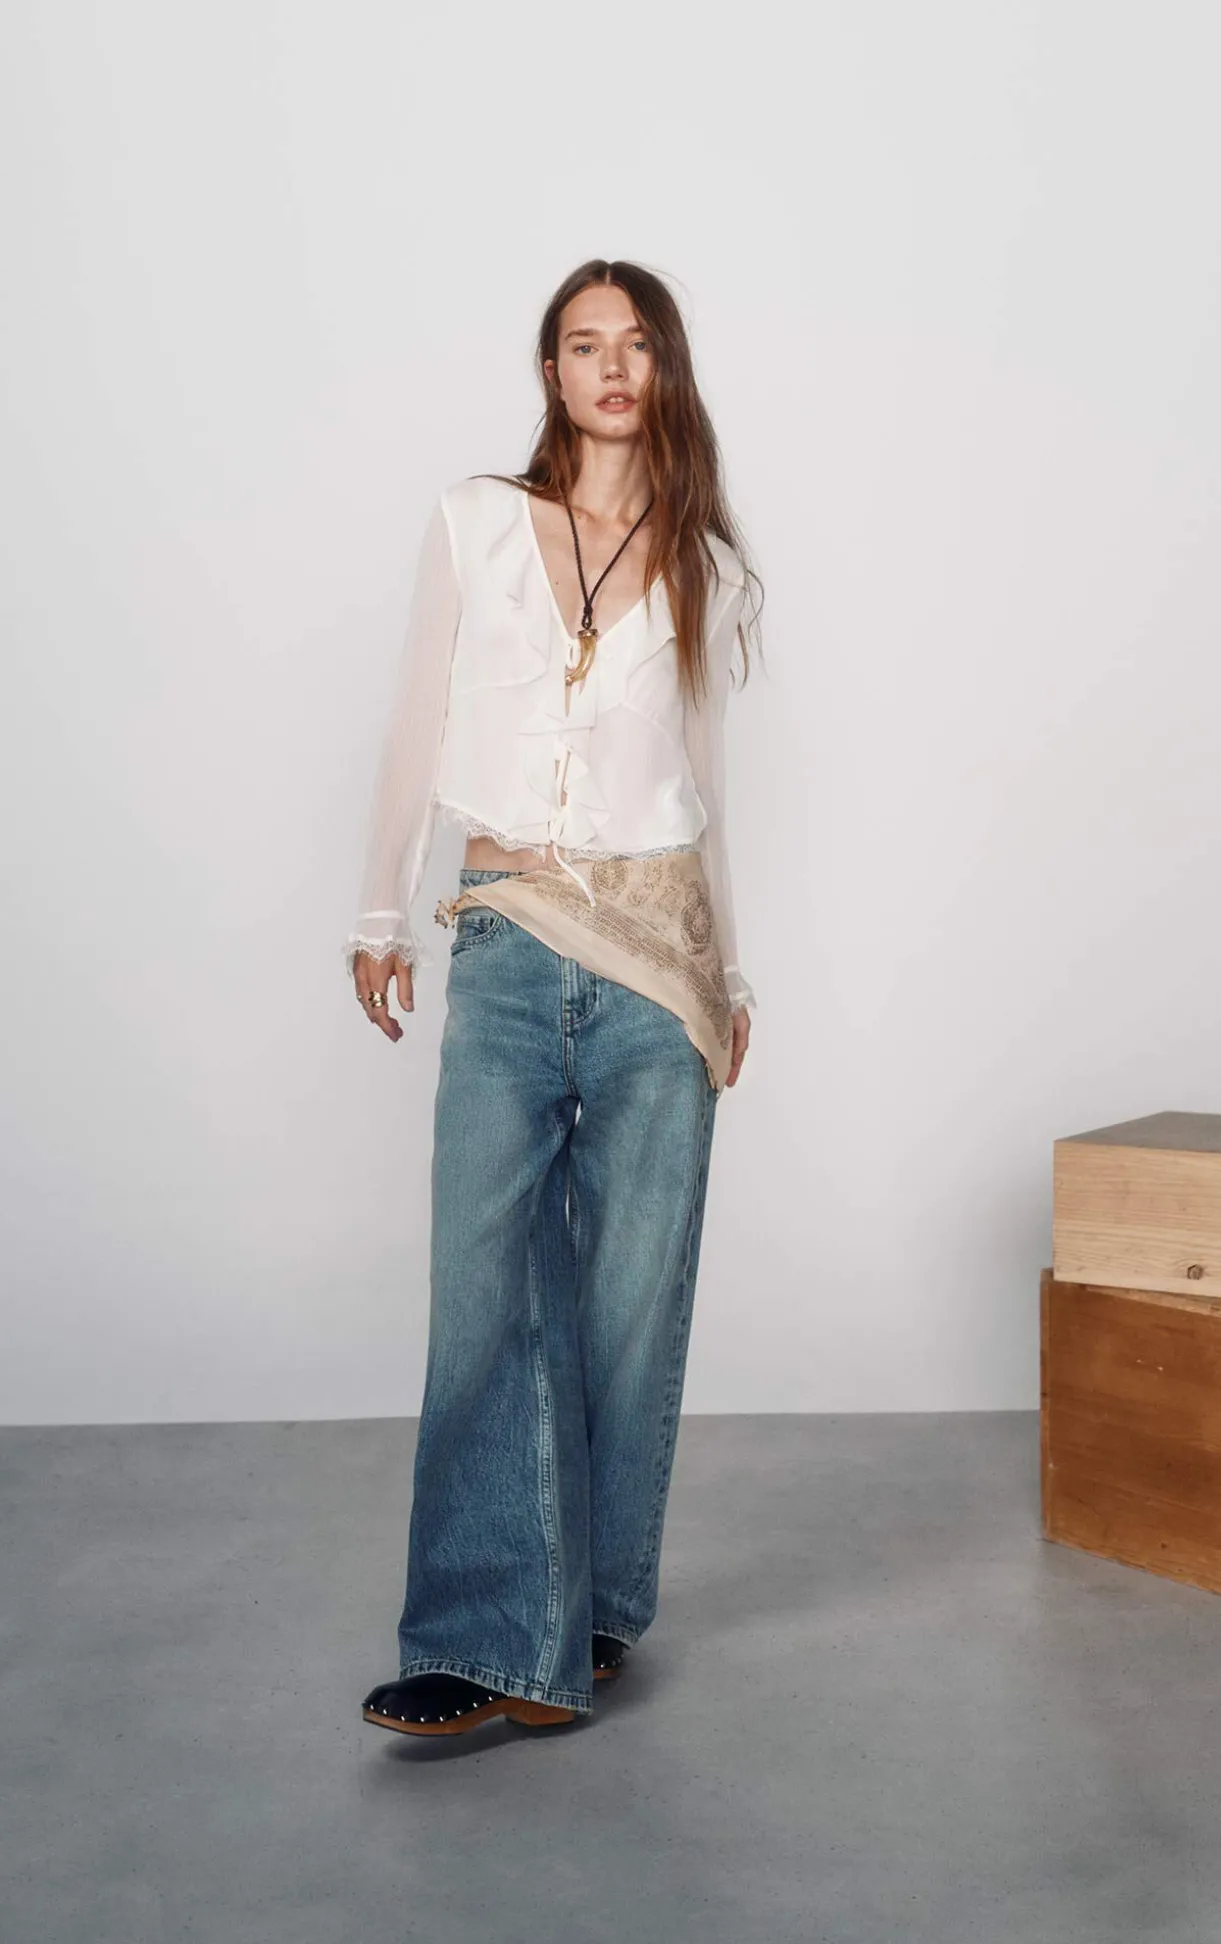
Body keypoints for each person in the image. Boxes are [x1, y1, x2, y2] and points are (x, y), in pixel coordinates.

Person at [346, 257, 762, 1738]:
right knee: (485, 1295)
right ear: (550, 372)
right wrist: (381, 909)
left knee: (632, 1309)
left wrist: (733, 973)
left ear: (664, 370)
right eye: (584, 345)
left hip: (660, 964)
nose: (611, 366)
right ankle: (477, 1635)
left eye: (635, 344)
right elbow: (415, 722)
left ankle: (588, 1612)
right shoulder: (477, 523)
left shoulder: (705, 563)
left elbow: (707, 788)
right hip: (511, 940)